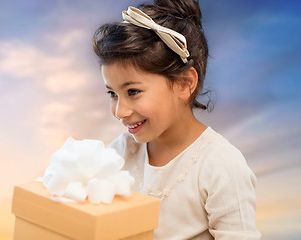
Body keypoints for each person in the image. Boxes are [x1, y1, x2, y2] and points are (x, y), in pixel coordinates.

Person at [92, 0, 261, 239]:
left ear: (184, 84)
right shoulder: (121, 152)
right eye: (112, 93)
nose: (120, 111)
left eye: (133, 92)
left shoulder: (220, 166)